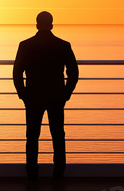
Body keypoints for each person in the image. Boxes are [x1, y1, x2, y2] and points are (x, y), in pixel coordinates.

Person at [12, 11, 78, 180]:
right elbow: (73, 72)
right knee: (58, 134)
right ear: (52, 25)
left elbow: (17, 72)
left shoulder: (26, 45)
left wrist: (23, 94)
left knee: (32, 135)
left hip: (33, 95)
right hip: (56, 95)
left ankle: (32, 172)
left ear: (36, 25)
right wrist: (66, 93)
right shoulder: (63, 45)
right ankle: (59, 172)